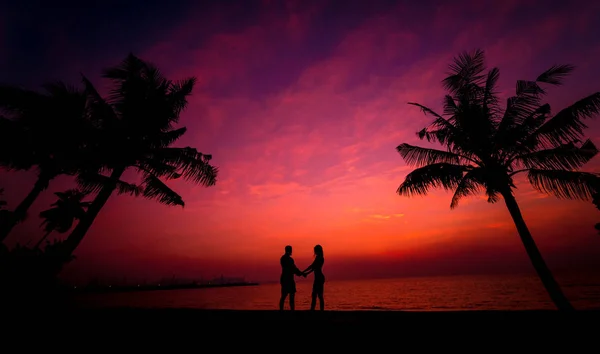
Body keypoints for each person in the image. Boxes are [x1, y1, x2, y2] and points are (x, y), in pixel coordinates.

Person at [279, 245, 305, 311]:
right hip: (288, 280)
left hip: (287, 279)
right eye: (290, 250)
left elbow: (294, 269)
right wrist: (301, 273)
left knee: (285, 296)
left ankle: (284, 310)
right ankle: (289, 311)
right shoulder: (287, 259)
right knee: (287, 296)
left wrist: (300, 273)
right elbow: (293, 268)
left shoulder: (284, 258)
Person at [302, 244, 325, 311]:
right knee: (315, 295)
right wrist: (304, 272)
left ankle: (318, 310)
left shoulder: (320, 258)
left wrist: (305, 273)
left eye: (315, 251)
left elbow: (314, 267)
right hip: (317, 278)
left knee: (319, 295)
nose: (315, 252)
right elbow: (312, 266)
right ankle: (313, 309)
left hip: (319, 278)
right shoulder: (318, 258)